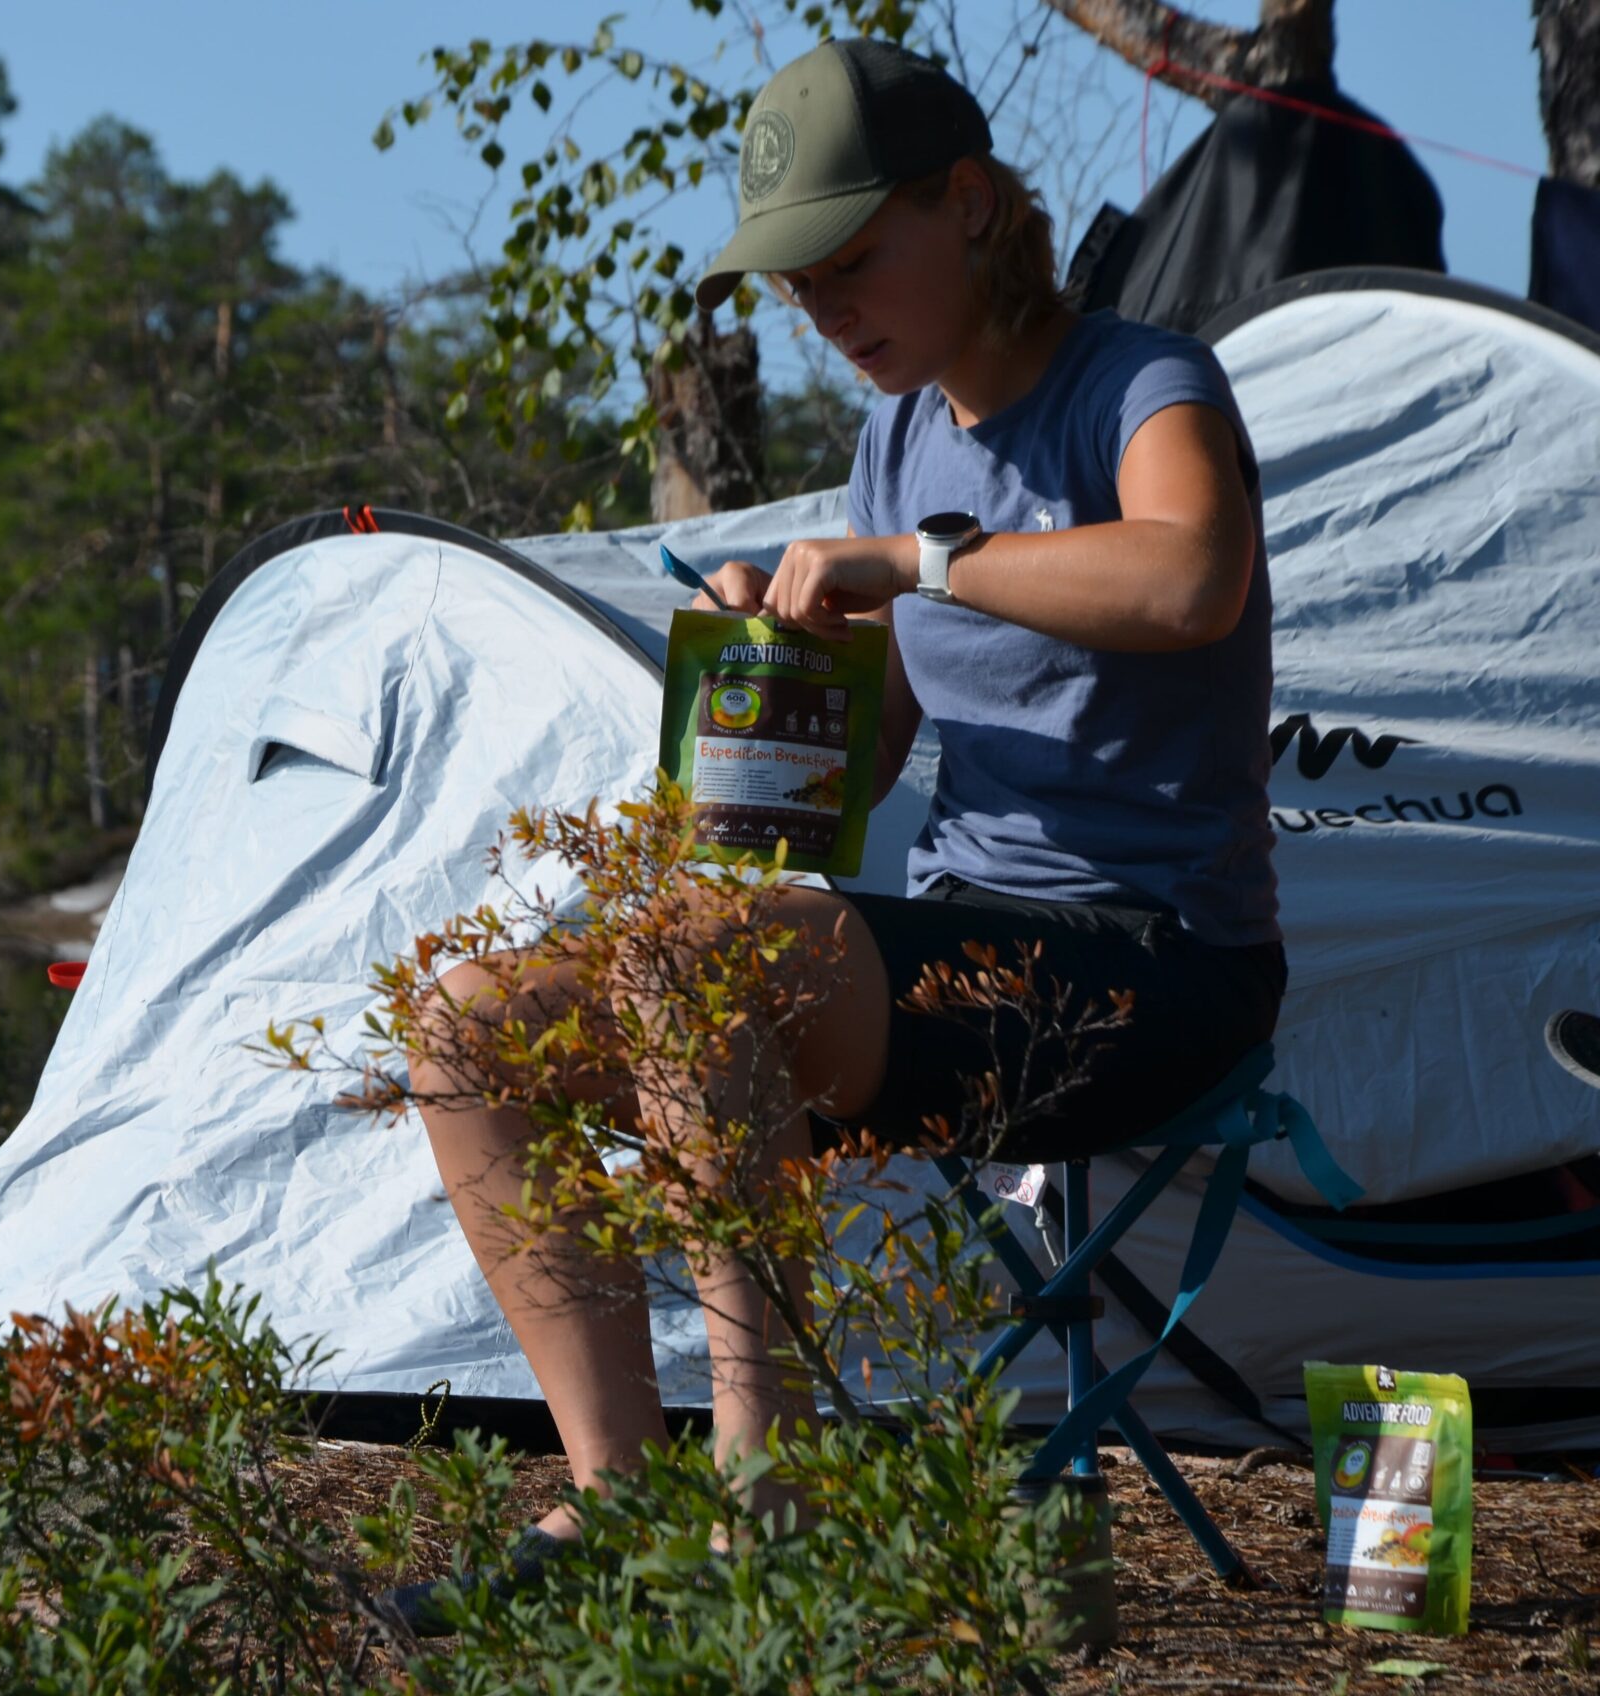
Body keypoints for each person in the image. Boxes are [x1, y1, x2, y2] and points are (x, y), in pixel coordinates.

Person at [371, 36, 1286, 1635]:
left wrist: (922, 568)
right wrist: (770, 674)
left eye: (853, 261)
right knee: (463, 1028)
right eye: (798, 284)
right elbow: (848, 782)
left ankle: (765, 1511)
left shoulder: (1143, 385)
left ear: (976, 203)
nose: (827, 309)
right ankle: (627, 1510)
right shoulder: (898, 442)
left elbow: (1190, 575)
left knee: (696, 965)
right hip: (962, 958)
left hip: (1160, 969)